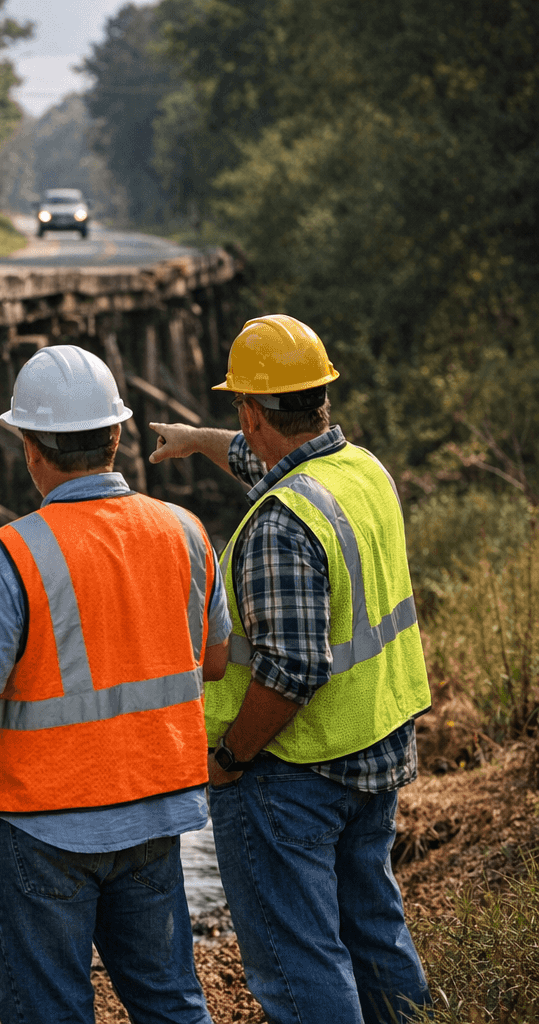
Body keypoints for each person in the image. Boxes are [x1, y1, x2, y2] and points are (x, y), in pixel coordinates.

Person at [0, 344, 230, 1024]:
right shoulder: (186, 533)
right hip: (152, 810)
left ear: (30, 449)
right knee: (171, 1004)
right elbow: (214, 659)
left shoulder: (10, 554)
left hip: (39, 825)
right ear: (116, 436)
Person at [149, 314, 432, 1024]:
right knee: (374, 933)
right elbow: (259, 459)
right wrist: (192, 441)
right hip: (375, 747)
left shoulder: (280, 524)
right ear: (319, 399)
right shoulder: (360, 471)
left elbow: (290, 673)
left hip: (290, 771)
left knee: (300, 961)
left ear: (250, 409)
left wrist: (230, 757)